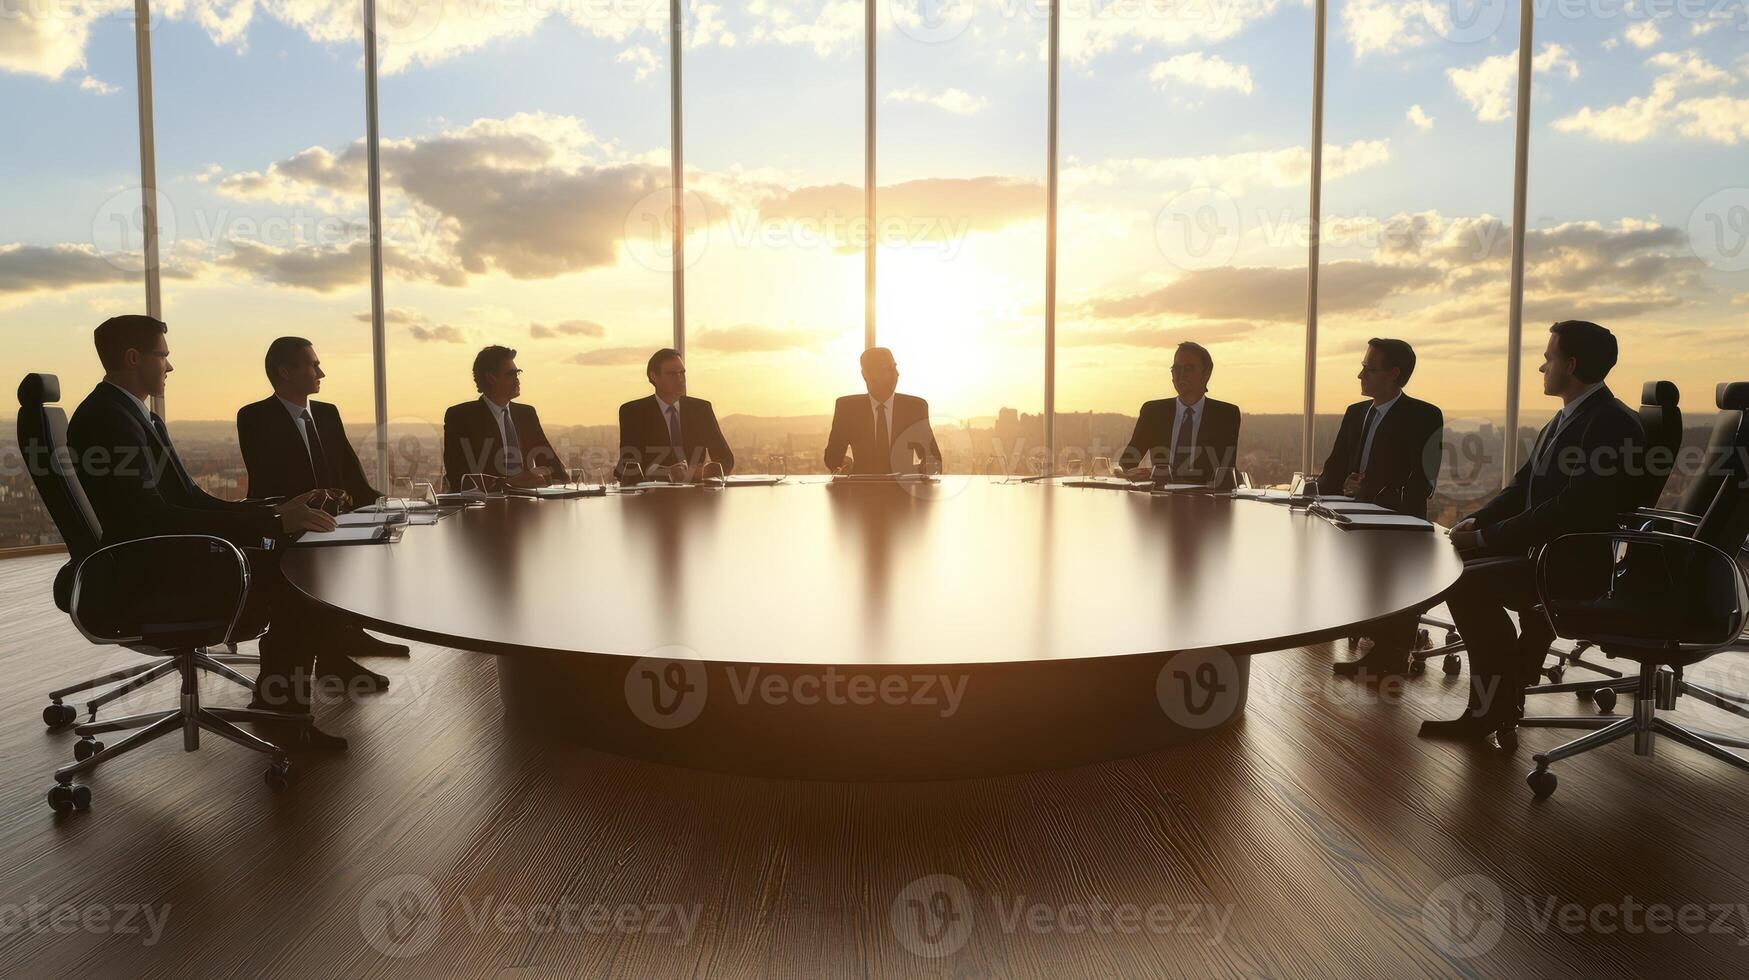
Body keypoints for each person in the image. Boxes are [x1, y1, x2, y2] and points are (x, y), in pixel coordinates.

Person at [66, 315, 349, 750]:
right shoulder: (107, 421)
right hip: (151, 573)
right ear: (132, 357)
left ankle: (277, 702)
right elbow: (152, 518)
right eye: (163, 355)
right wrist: (271, 525)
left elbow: (191, 501)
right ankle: (282, 709)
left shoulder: (130, 414)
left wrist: (272, 510)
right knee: (300, 578)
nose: (170, 366)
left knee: (299, 561)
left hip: (159, 557)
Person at [1421, 321, 1646, 740]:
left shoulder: (1612, 424)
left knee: (1465, 584)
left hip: (1571, 565)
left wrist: (1488, 538)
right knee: (1453, 560)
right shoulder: (1568, 418)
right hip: (1543, 554)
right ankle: (1511, 685)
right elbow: (1522, 486)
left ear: (1571, 364)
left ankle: (1492, 707)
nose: (1542, 368)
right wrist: (1480, 521)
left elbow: (1570, 508)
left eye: (1549, 358)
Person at [237, 337, 410, 682]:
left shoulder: (327, 414)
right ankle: (294, 677)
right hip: (287, 528)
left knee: (367, 552)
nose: (322, 372)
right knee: (323, 571)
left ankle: (336, 654)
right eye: (313, 365)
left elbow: (353, 479)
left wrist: (391, 505)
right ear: (286, 372)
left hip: (331, 525)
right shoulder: (255, 417)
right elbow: (270, 485)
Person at [1321, 338, 1446, 677]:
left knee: (1390, 572)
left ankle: (1390, 657)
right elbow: (1334, 468)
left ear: (1393, 374)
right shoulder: (1356, 413)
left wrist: (1370, 490)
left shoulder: (1424, 416)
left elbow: (1423, 483)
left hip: (1396, 521)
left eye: (1368, 368)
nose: (1359, 374)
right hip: (1350, 515)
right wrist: (1311, 497)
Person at [442, 345, 564, 492]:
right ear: (491, 378)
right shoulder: (461, 416)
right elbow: (459, 477)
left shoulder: (526, 414)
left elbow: (553, 467)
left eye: (518, 373)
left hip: (527, 505)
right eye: (511, 374)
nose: (517, 380)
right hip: (483, 509)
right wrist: (509, 483)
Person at [1118, 341, 1241, 484]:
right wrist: (1138, 475)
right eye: (1176, 369)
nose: (1180, 375)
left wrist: (1161, 474)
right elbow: (1127, 463)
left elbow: (1223, 473)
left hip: (1203, 503)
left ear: (1206, 373)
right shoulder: (1153, 412)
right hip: (1160, 502)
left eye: (1188, 369)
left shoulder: (1225, 415)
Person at [615, 348, 734, 483]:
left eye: (682, 373)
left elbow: (726, 459)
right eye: (672, 374)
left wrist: (703, 472)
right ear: (654, 376)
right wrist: (667, 472)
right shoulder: (633, 412)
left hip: (695, 496)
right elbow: (629, 466)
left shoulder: (701, 409)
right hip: (652, 497)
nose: (680, 379)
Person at [824, 347, 942, 475]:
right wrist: (844, 465)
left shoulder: (914, 408)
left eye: (895, 367)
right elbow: (832, 458)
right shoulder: (848, 408)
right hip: (861, 490)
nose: (896, 374)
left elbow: (933, 458)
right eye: (888, 368)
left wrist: (921, 470)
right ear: (866, 375)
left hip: (902, 492)